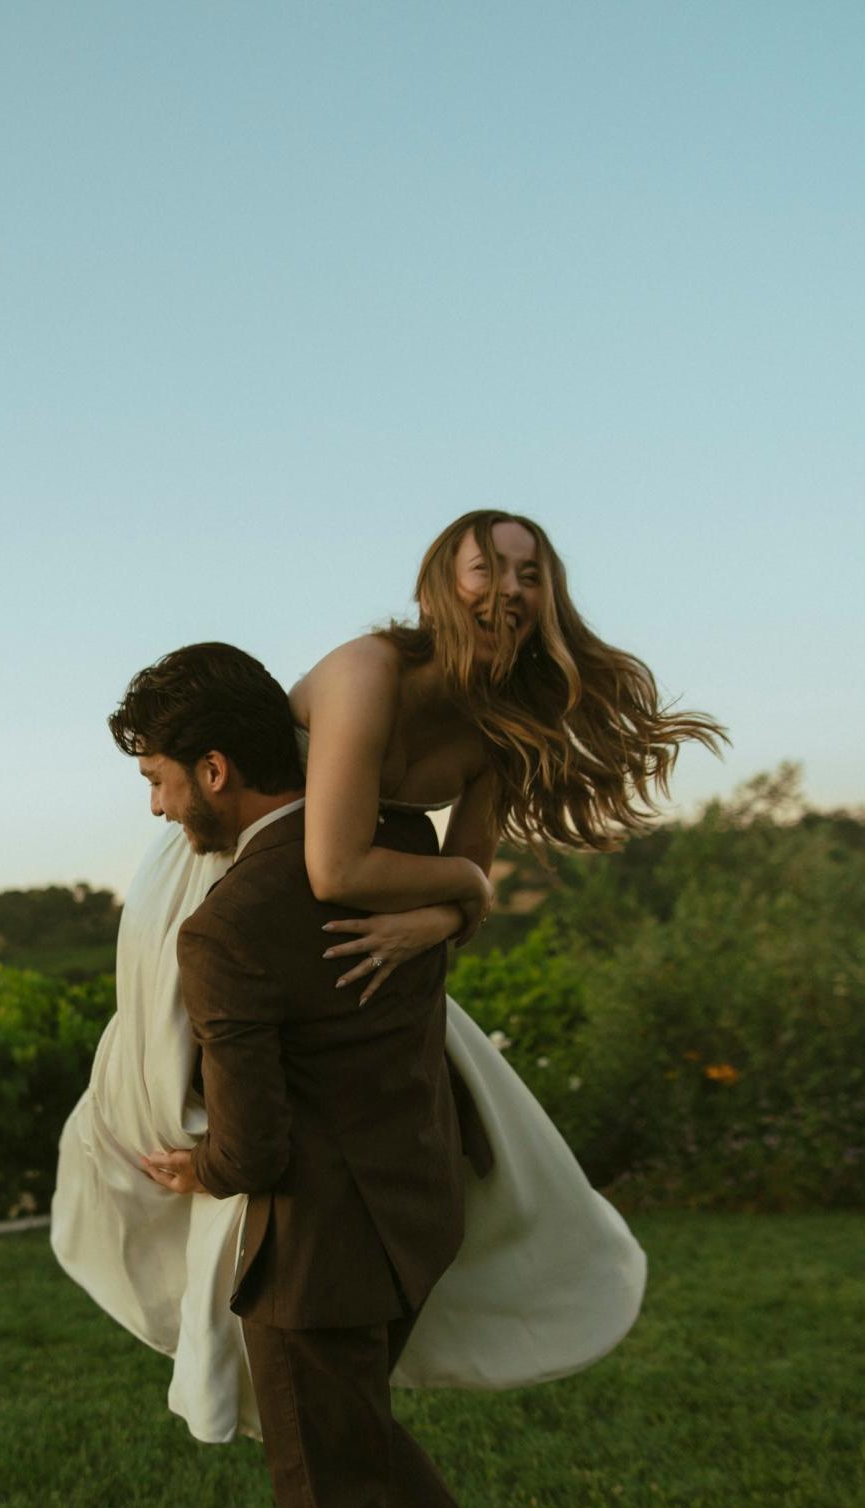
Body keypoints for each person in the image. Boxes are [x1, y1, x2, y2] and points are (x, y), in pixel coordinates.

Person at [50, 511, 724, 1443]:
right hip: (236, 878)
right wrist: (461, 885)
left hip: (356, 915)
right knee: (164, 1093)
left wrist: (446, 911)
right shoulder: (369, 671)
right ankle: (226, 1303)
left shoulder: (501, 727)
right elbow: (342, 867)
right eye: (486, 568)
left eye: (531, 572)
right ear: (437, 588)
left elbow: (461, 910)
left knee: (442, 1111)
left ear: (550, 594)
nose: (510, 588)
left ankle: (367, 1309)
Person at [121, 639, 590, 1508]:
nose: (162, 806)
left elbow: (257, 1147)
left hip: (322, 1246)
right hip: (417, 1207)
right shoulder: (405, 849)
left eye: (164, 779)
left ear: (219, 769)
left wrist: (197, 1165)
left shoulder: (226, 929)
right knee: (360, 1436)